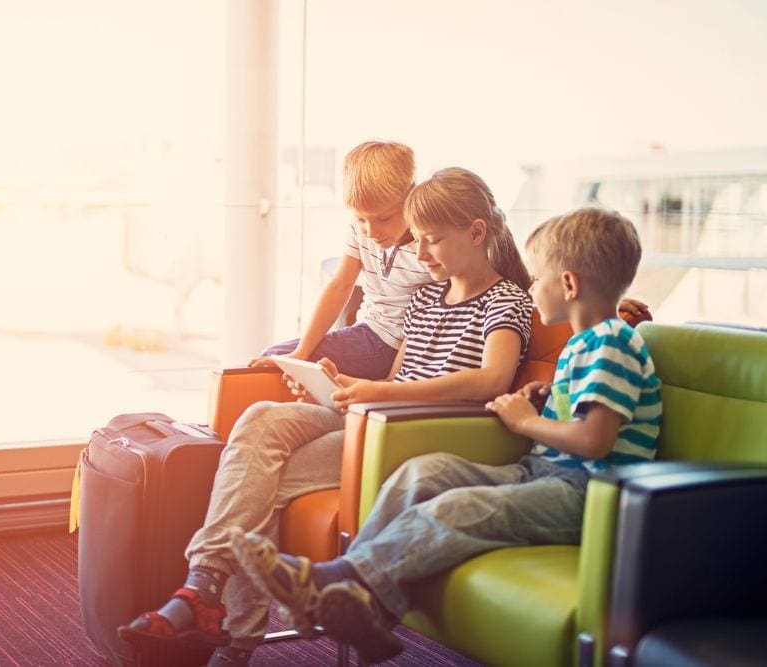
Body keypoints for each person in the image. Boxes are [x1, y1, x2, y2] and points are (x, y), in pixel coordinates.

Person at [117, 167, 535, 666]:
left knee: (263, 479)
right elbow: (399, 377)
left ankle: (227, 632)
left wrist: (378, 393)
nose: (421, 255)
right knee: (261, 418)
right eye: (418, 241)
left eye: (432, 242)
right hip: (375, 415)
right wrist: (335, 386)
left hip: (406, 435)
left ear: (476, 232)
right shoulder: (426, 297)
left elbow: (491, 380)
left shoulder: (506, 300)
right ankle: (203, 585)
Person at [230, 206, 663, 664]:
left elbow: (595, 440)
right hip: (545, 473)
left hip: (589, 496)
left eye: (538, 278)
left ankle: (340, 581)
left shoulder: (614, 343)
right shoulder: (585, 343)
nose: (532, 287)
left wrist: (523, 421)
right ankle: (366, 611)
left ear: (570, 285)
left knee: (462, 507)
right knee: (423, 472)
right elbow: (584, 408)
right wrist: (545, 394)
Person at [251, 140, 432, 380]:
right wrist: (302, 351)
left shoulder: (430, 245)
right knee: (276, 360)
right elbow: (340, 285)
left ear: (411, 198)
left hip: (399, 346)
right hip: (366, 331)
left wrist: (391, 381)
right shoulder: (361, 230)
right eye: (360, 219)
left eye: (384, 218)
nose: (370, 230)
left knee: (276, 365)